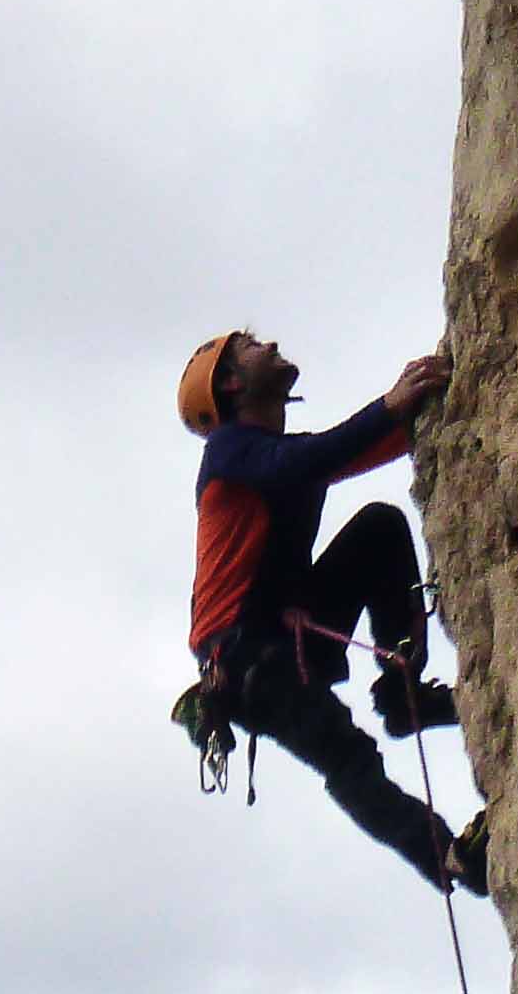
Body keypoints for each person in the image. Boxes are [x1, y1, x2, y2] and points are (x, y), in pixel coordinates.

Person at [178, 329, 486, 892]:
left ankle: (402, 695)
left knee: (379, 528)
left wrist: (417, 415)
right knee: (347, 756)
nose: (267, 344)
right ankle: (446, 855)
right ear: (231, 382)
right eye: (249, 346)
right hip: (246, 658)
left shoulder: (274, 458)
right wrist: (391, 406)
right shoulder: (229, 451)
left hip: (282, 633)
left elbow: (343, 452)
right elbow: (322, 455)